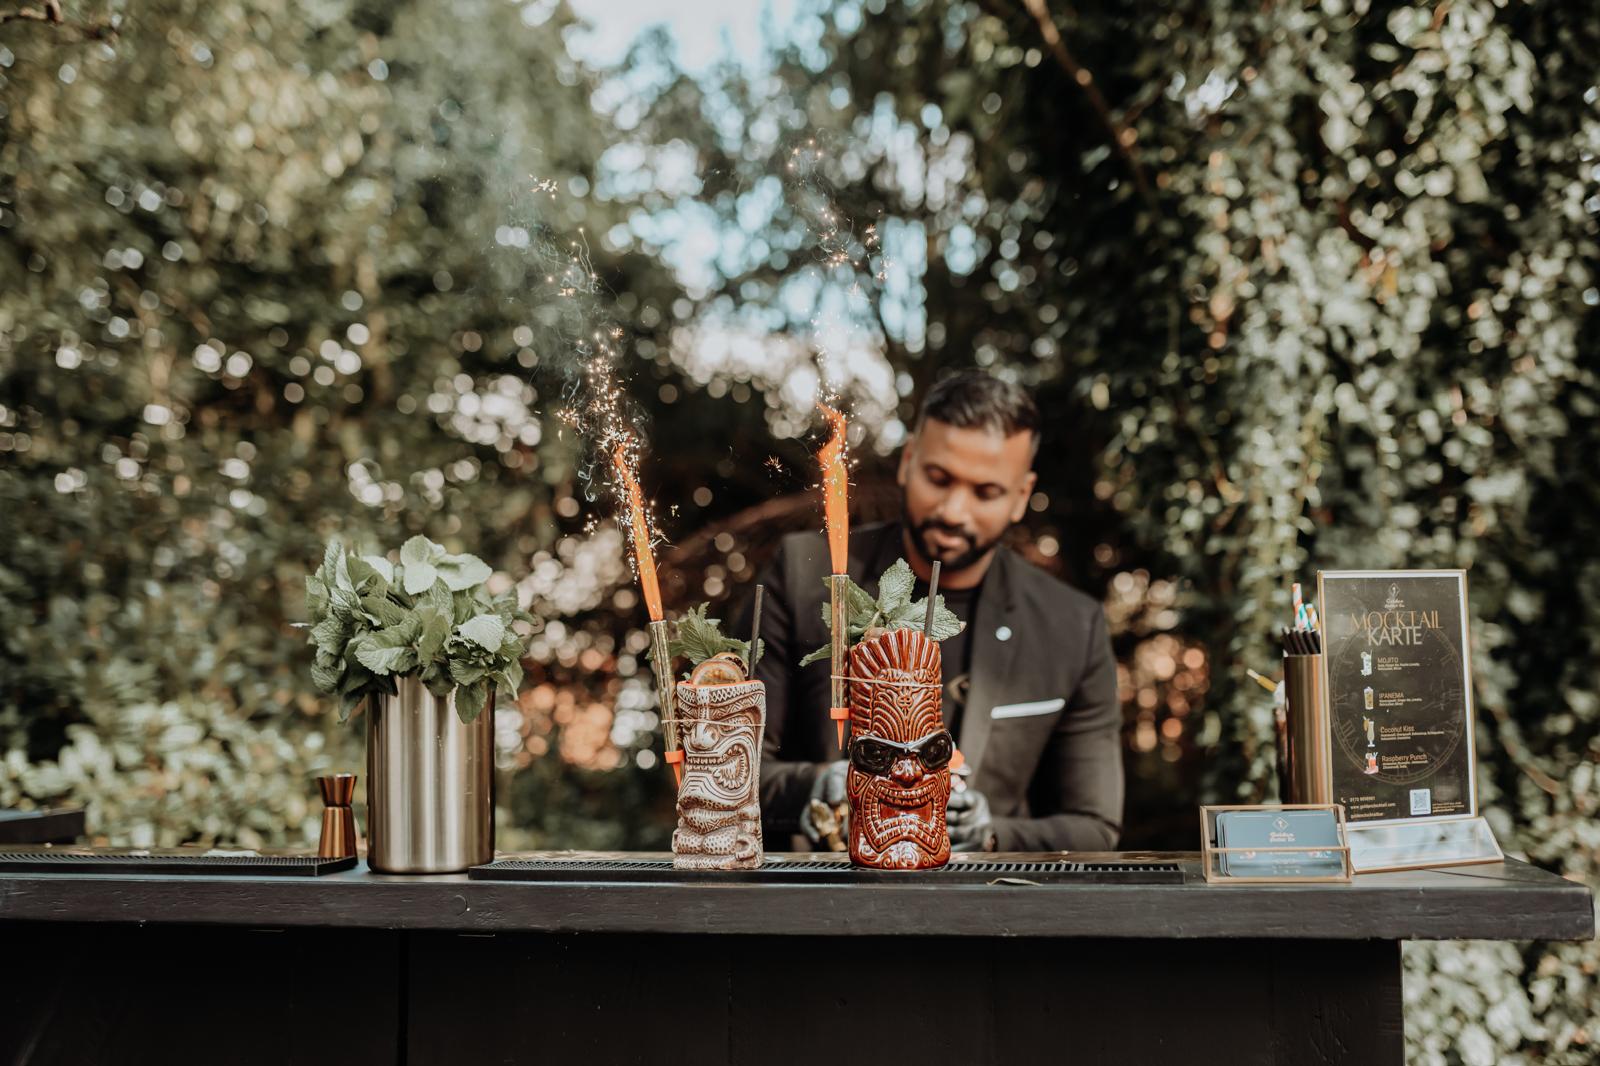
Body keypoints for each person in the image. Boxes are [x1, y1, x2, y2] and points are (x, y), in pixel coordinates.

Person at [742, 370, 1124, 853]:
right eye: (938, 479)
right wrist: (822, 786)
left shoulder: (1073, 624)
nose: (953, 510)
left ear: (1021, 497)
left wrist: (987, 833)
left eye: (986, 492)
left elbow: (1094, 827)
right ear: (907, 463)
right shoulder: (804, 575)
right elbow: (730, 769)